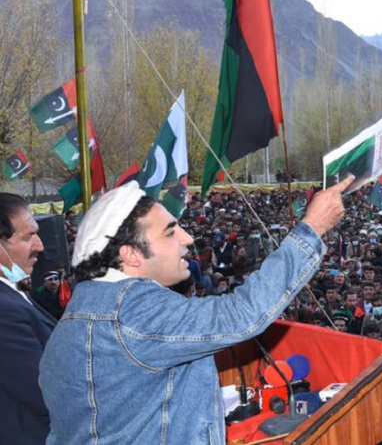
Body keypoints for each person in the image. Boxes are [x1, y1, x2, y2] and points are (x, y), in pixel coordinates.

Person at [40, 177, 352, 444]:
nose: (187, 239)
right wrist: (312, 229)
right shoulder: (133, 310)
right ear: (131, 253)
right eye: (169, 232)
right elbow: (242, 314)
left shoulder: (71, 322)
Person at [0, 192, 55, 445]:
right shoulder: (4, 310)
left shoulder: (13, 294)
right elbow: (48, 391)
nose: (40, 246)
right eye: (28, 236)